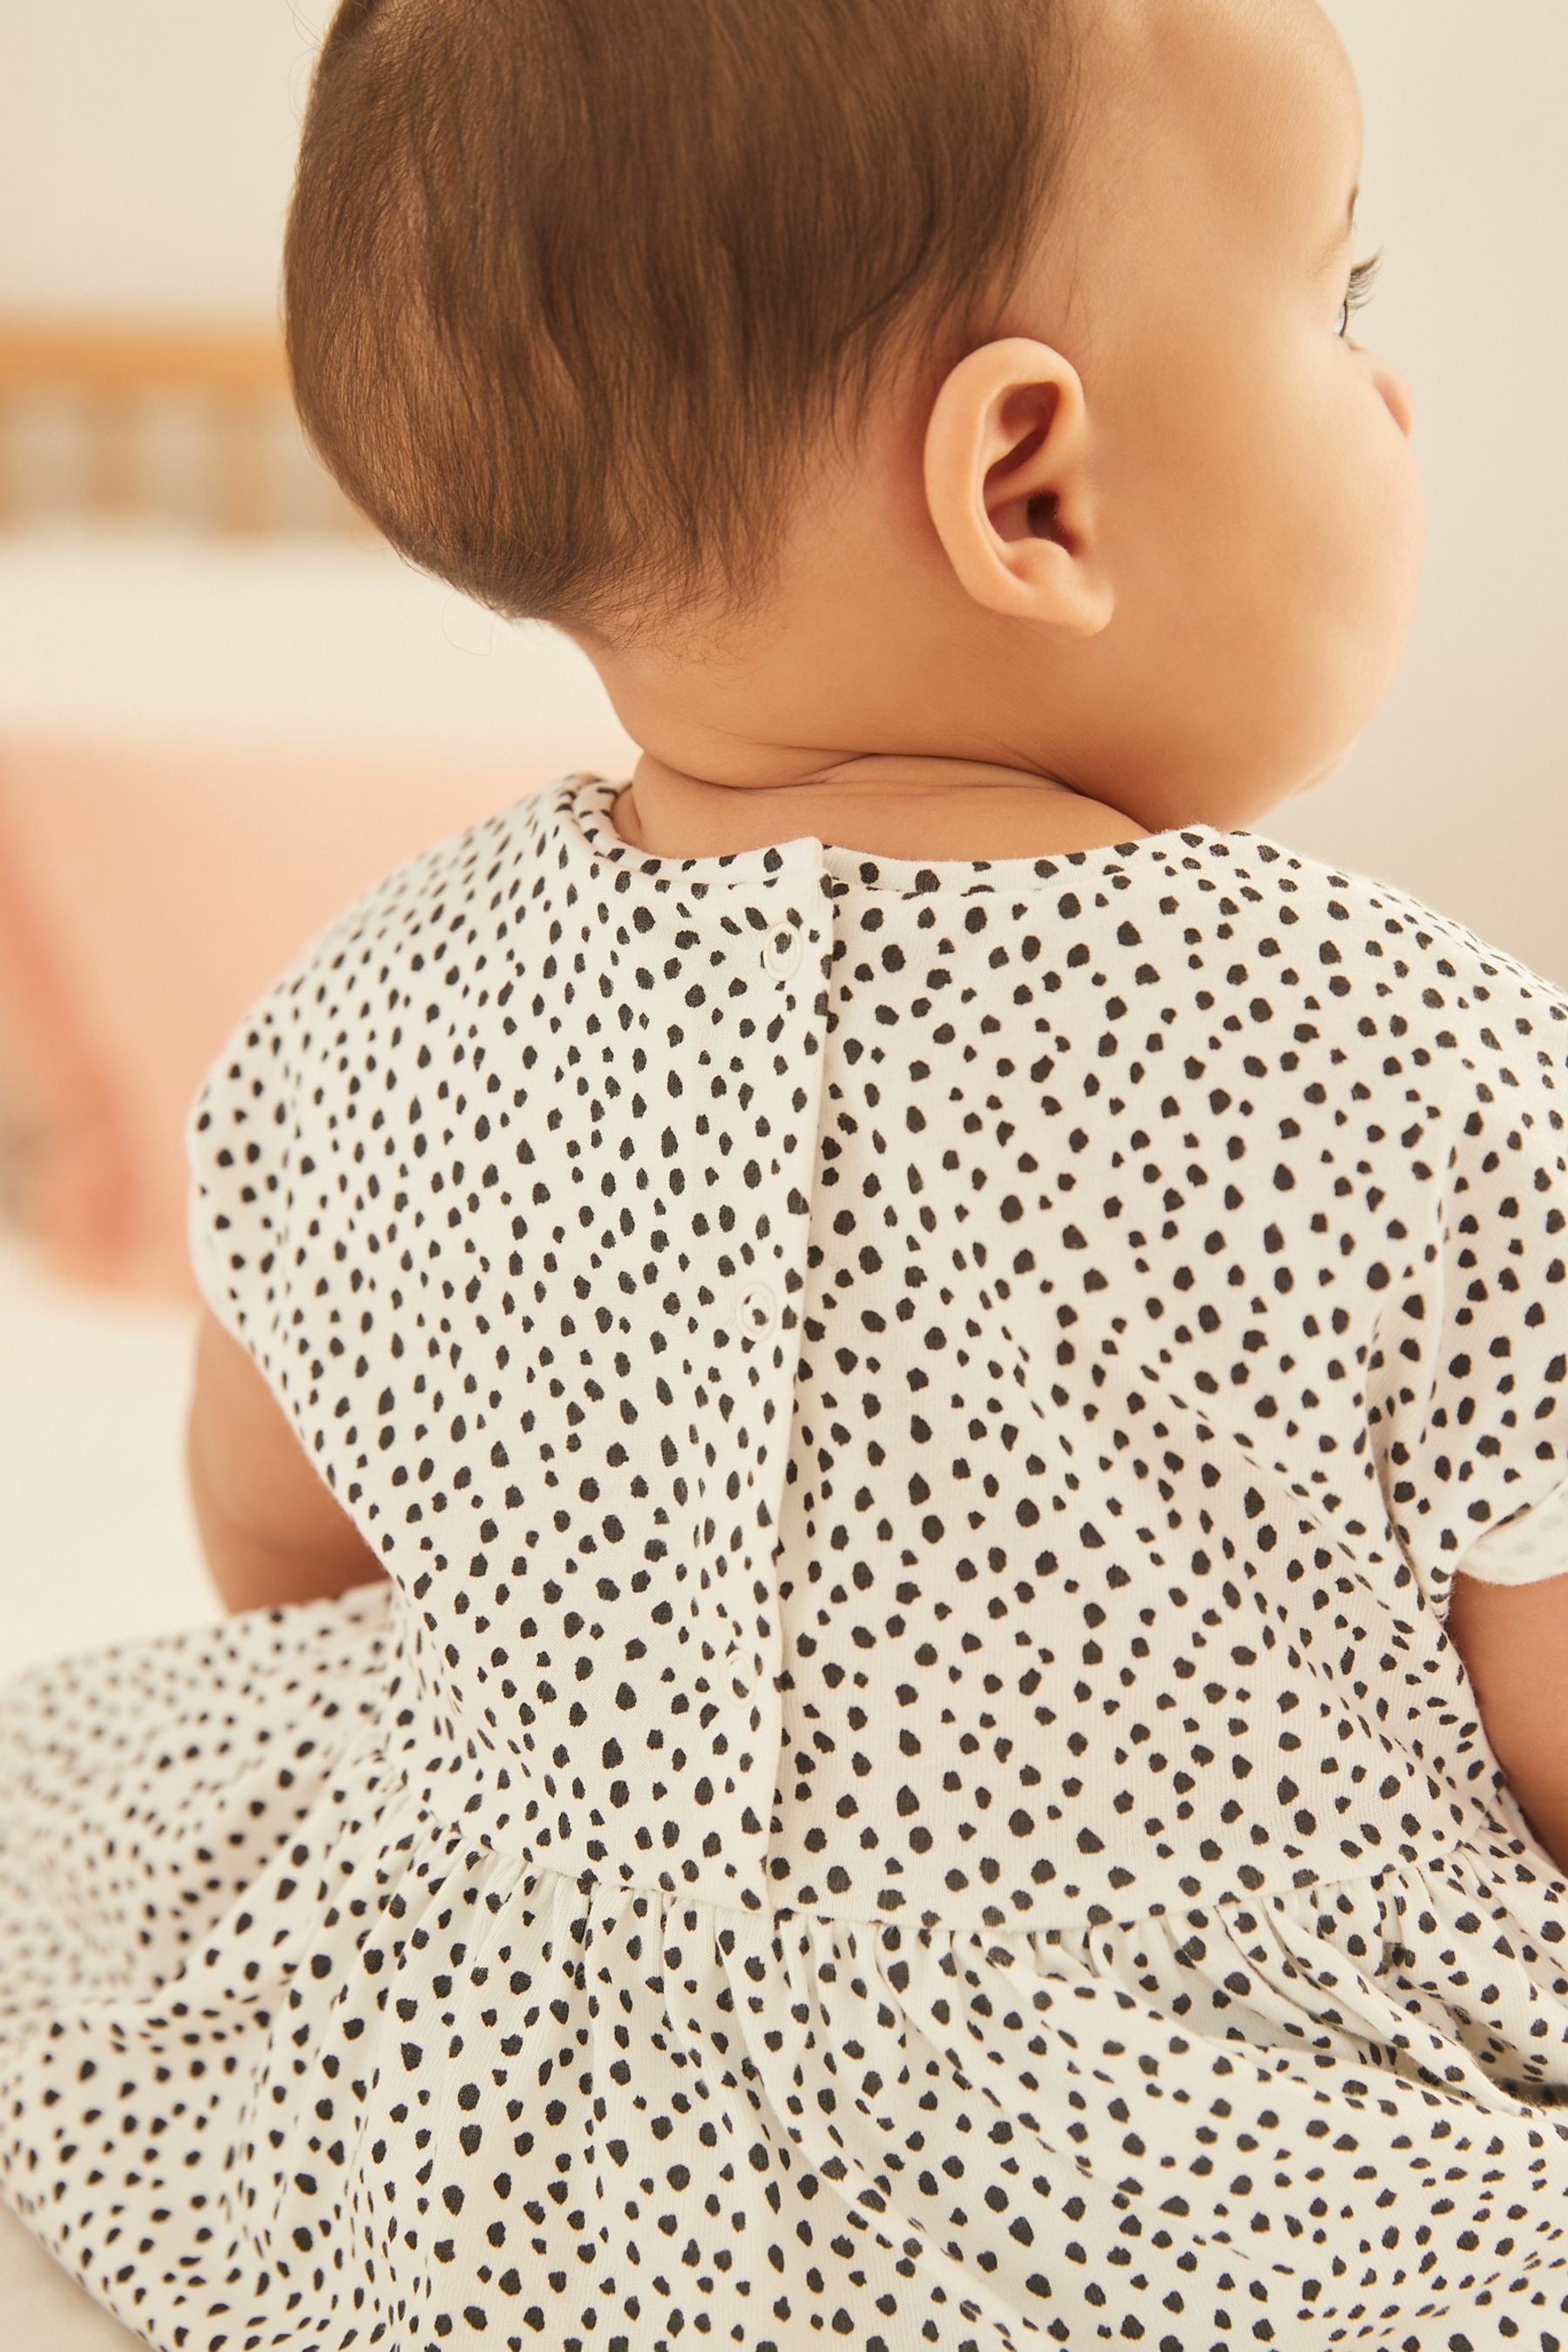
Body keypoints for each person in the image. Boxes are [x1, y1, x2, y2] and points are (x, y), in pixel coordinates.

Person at [3, 0, 1566, 2344]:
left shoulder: (355, 1017)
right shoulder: (1439, 1069)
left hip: (476, 2157)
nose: (1398, 398)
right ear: (1032, 486)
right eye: (1341, 307)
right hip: (1192, 2176)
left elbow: (293, 1546)